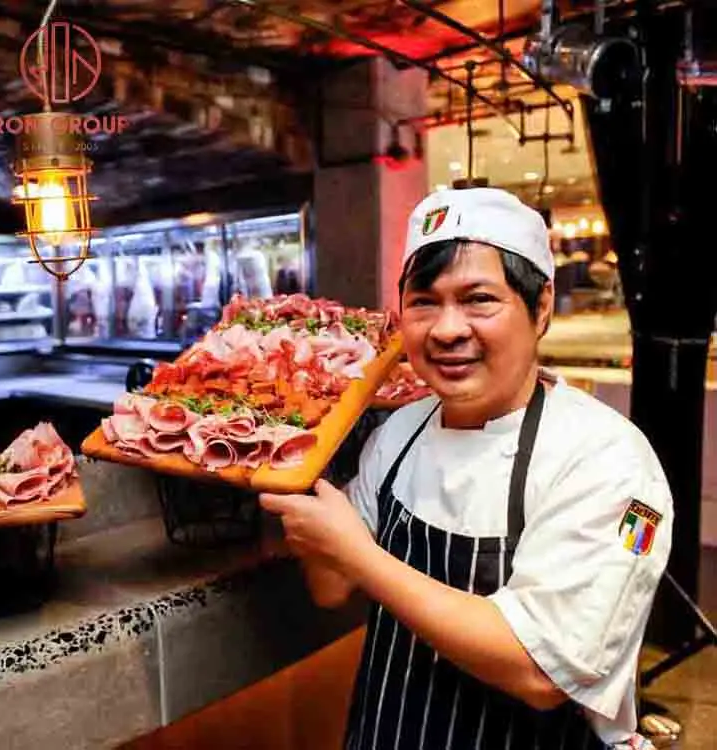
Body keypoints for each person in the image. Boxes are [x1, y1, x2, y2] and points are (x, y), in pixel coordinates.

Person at [260, 188, 672, 750]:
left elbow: (542, 673)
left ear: (541, 307)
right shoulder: (400, 433)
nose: (447, 329)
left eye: (478, 299)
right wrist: (286, 451)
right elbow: (331, 587)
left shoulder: (609, 460)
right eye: (424, 302)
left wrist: (358, 554)